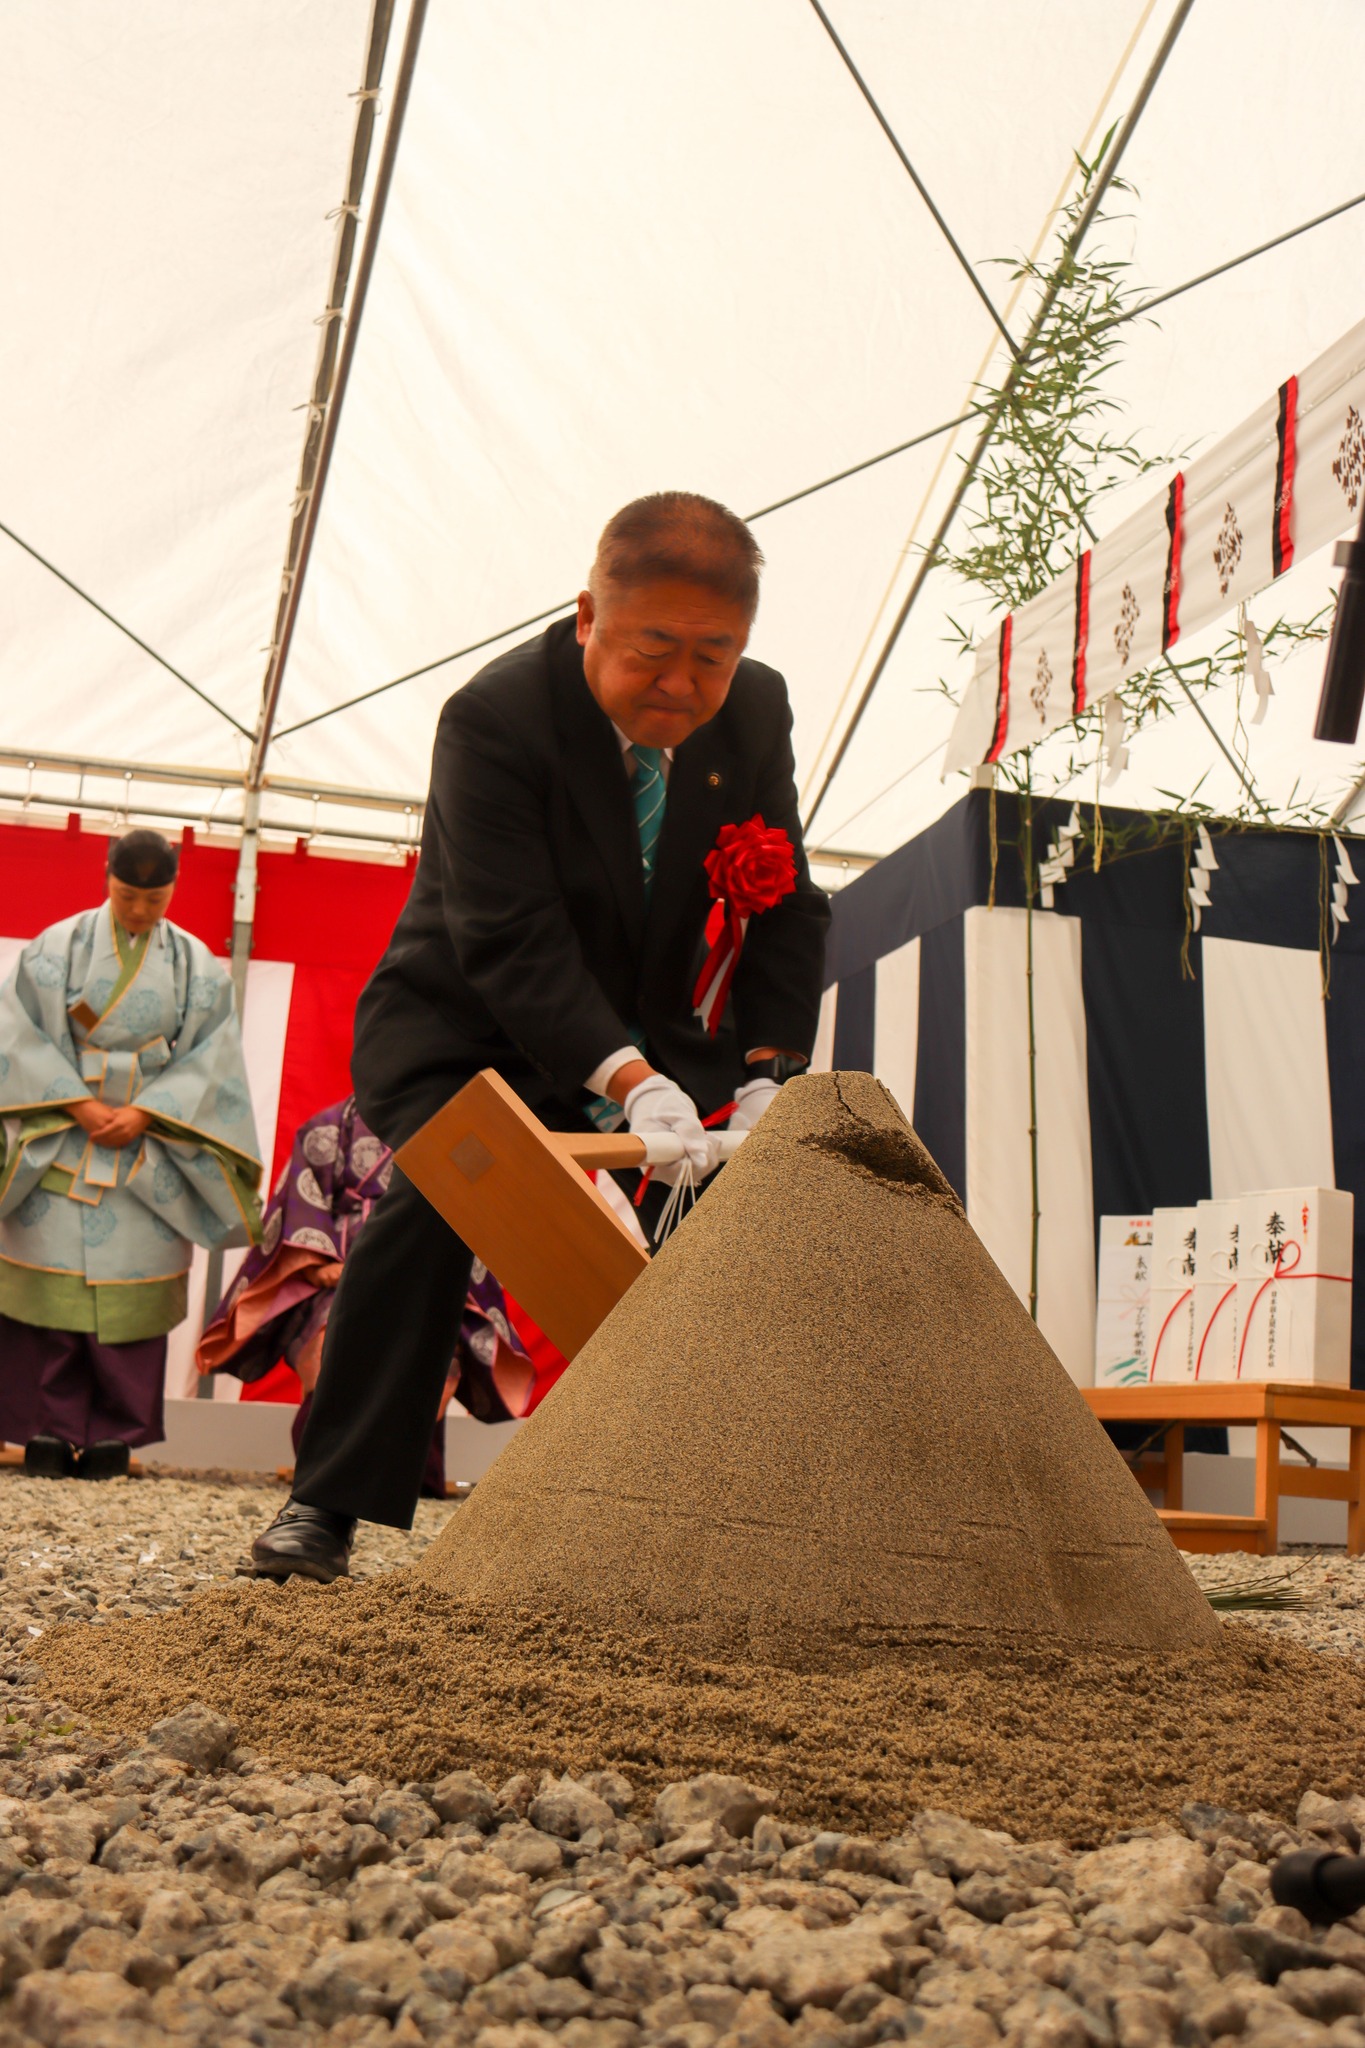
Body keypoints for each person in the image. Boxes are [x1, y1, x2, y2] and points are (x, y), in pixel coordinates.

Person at [251, 491, 830, 1581]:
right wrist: (626, 1078)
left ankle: (698, 1520)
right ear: (587, 617)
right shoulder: (498, 717)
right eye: (653, 648)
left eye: (714, 656)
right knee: (439, 1203)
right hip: (469, 1022)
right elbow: (508, 936)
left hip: (659, 1037)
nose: (682, 683)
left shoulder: (754, 712)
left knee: (722, 1222)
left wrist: (769, 1077)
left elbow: (788, 901)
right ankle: (325, 1506)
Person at [0, 829, 262, 1478]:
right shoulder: (54, 949)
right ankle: (48, 1432)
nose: (140, 910)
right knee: (52, 1299)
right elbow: (16, 1034)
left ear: (172, 889)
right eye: (127, 896)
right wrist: (75, 1102)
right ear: (106, 879)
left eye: (154, 898)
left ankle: (116, 1434)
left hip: (150, 1146)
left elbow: (214, 1058)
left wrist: (147, 1110)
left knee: (130, 1299)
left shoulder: (199, 965)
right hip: (62, 1133)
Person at [196, 1093, 559, 1494]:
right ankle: (325, 1481)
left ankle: (408, 1479)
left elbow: (476, 1205)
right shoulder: (327, 1127)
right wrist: (318, 1264)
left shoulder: (452, 1128)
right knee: (330, 1342)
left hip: (424, 1264)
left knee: (433, 1352)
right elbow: (299, 1202)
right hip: (341, 1272)